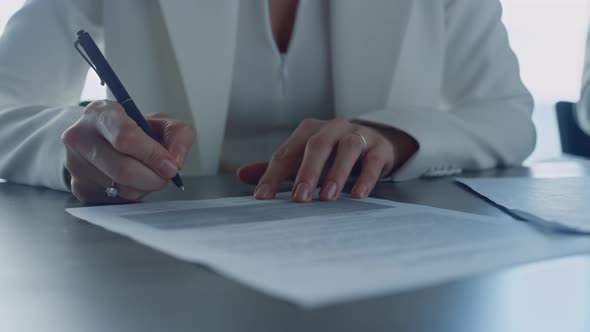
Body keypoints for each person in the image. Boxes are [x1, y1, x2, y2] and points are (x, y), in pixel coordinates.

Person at [0, 0, 536, 204]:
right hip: (154, 260)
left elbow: (509, 114)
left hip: (368, 240)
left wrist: (392, 137)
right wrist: (74, 147)